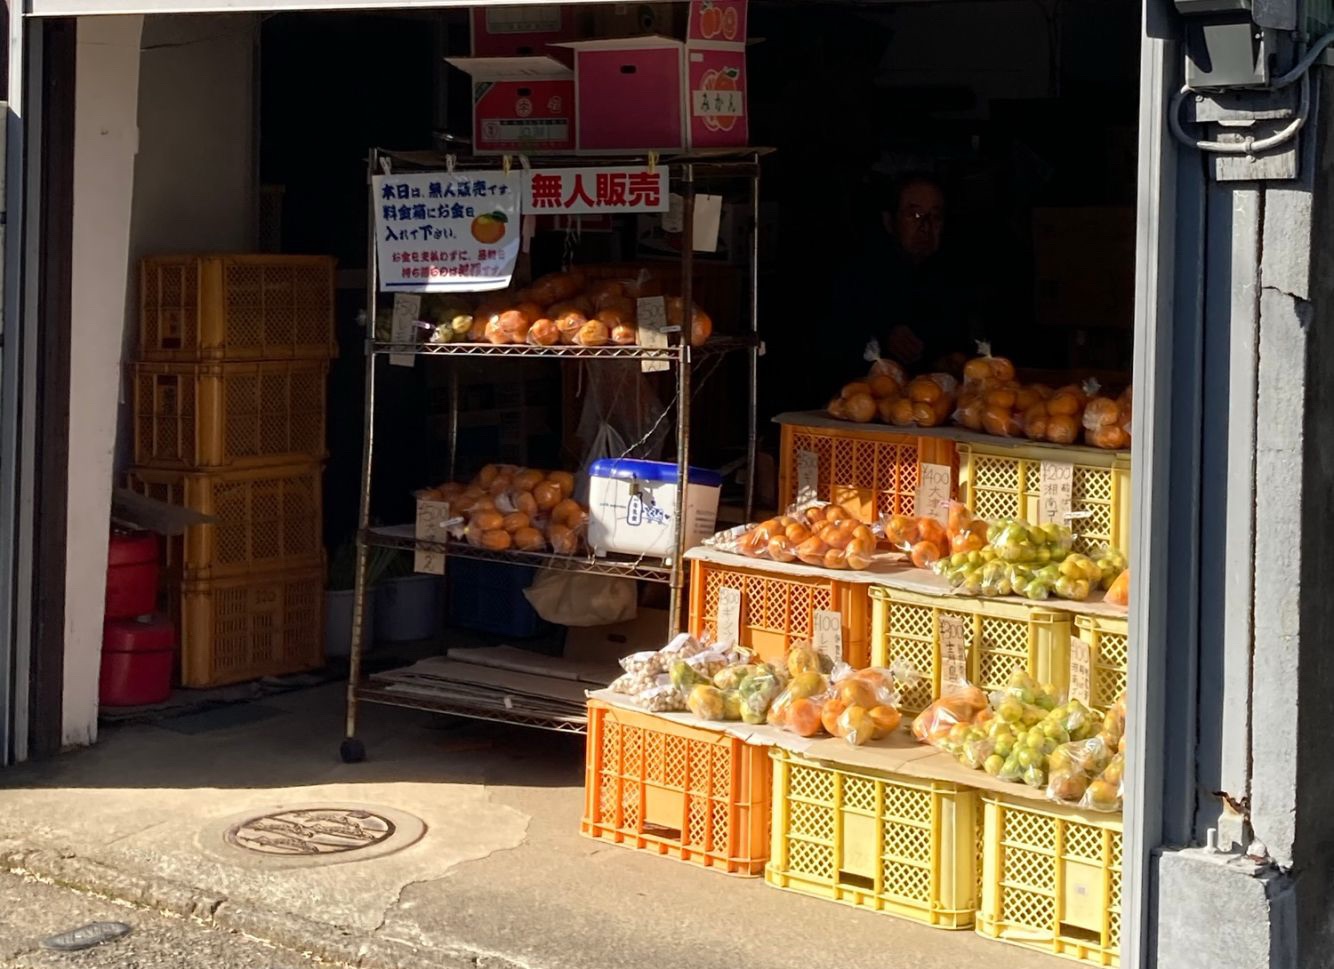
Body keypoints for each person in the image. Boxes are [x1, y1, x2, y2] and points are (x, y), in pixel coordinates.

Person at [818, 173, 979, 391]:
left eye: (935, 217)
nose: (926, 226)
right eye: (914, 215)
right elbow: (835, 341)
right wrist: (885, 334)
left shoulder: (954, 275)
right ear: (889, 221)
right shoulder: (860, 273)